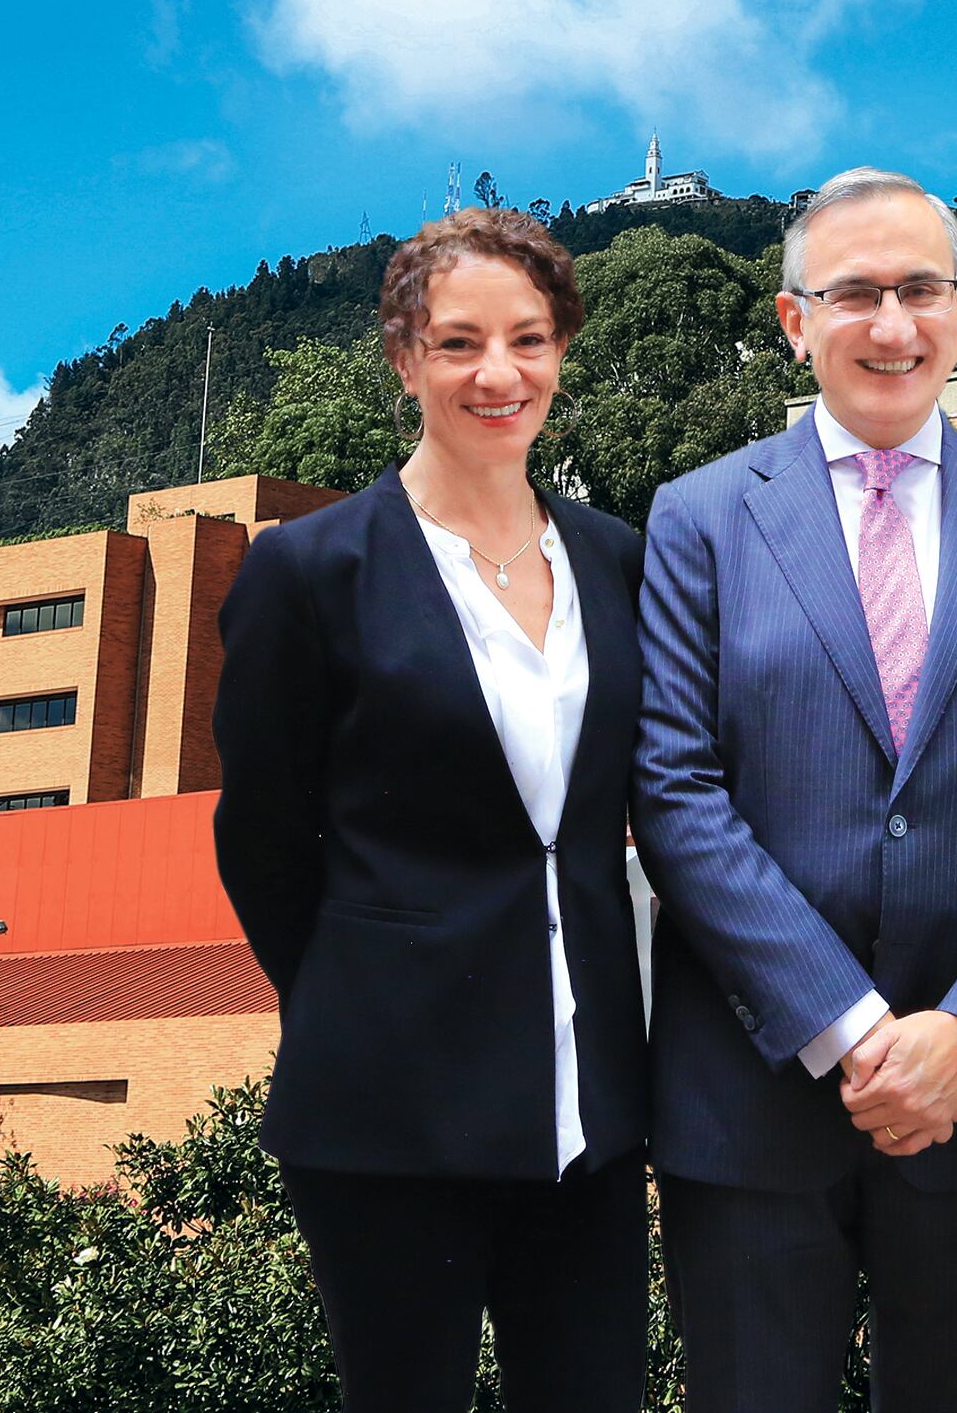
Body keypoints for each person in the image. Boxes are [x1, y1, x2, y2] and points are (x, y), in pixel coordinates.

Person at [629, 167, 957, 1413]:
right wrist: (850, 1028)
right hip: (750, 1090)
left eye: (919, 292)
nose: (891, 326)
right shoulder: (699, 519)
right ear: (796, 321)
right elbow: (675, 792)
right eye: (855, 295)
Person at [211, 208, 654, 1413]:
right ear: (406, 359)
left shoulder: (620, 558)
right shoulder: (311, 572)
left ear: (563, 349)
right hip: (388, 1111)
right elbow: (259, 840)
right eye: (459, 343)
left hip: (593, 1108)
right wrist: (367, 991)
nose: (498, 373)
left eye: (528, 338)